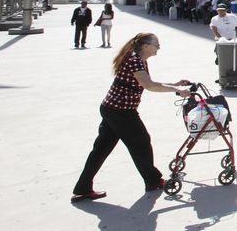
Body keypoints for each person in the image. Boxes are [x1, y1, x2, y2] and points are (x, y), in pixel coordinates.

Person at [71, 33, 191, 203]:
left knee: (101, 149)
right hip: (121, 112)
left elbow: (149, 81)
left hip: (112, 109)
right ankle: (153, 181)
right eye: (156, 44)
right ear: (145, 46)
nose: (159, 47)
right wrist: (176, 89)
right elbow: (149, 86)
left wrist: (175, 84)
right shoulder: (135, 61)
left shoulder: (139, 60)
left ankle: (83, 188)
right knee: (141, 143)